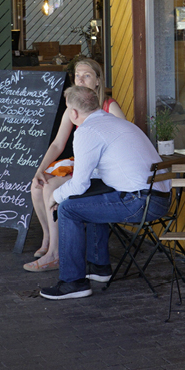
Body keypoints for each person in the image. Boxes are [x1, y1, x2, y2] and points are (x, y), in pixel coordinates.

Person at [39, 85, 170, 301]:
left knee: (69, 209)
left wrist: (54, 197)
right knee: (88, 201)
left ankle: (73, 282)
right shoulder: (117, 123)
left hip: (141, 202)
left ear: (73, 113)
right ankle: (99, 267)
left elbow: (79, 184)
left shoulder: (86, 131)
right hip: (161, 199)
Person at [24, 58, 126, 272]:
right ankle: (49, 239)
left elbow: (123, 138)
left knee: (51, 187)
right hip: (82, 165)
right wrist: (40, 170)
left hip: (101, 171)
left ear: (98, 81)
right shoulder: (73, 106)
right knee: (38, 185)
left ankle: (55, 255)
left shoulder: (109, 105)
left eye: (86, 75)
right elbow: (57, 144)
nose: (80, 79)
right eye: (77, 75)